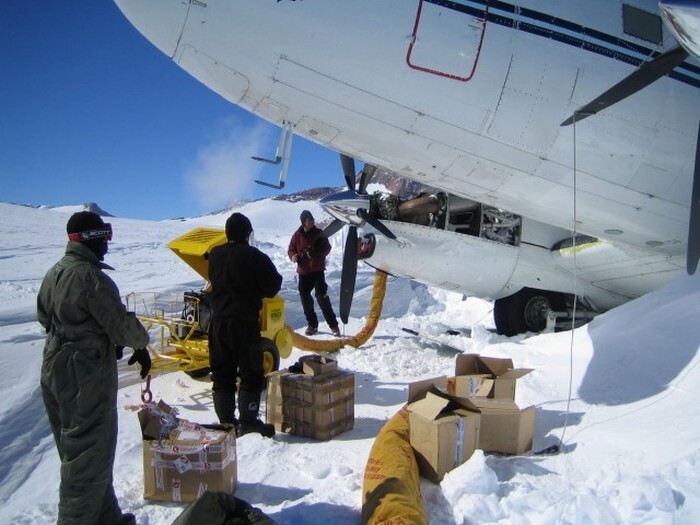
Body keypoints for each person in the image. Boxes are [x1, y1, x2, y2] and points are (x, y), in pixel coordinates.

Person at [37, 211, 152, 525]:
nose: (107, 244)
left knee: (84, 453)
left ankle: (106, 518)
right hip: (83, 375)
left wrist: (85, 331)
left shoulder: (54, 272)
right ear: (91, 239)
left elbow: (45, 317)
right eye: (105, 236)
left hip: (54, 367)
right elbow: (124, 327)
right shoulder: (91, 278)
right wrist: (138, 343)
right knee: (87, 457)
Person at [208, 212, 283, 437]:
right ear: (248, 234)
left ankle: (226, 422)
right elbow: (273, 286)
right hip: (244, 323)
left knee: (222, 374)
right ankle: (248, 421)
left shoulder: (214, 255)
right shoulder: (254, 256)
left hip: (218, 323)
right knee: (251, 373)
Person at [288, 210, 341, 336]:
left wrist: (317, 252)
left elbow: (327, 248)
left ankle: (333, 326)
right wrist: (293, 256)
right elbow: (291, 249)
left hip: (317, 270)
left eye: (312, 219)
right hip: (303, 272)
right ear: (303, 222)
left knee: (322, 298)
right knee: (305, 299)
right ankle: (312, 324)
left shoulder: (319, 233)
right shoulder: (297, 235)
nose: (311, 221)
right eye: (308, 219)